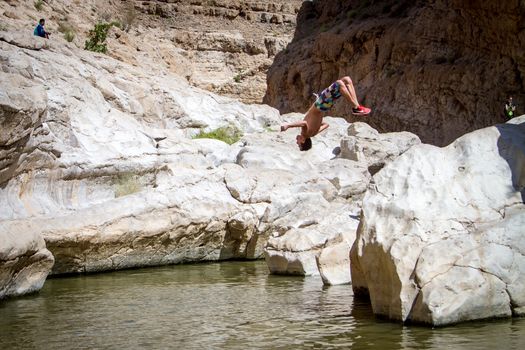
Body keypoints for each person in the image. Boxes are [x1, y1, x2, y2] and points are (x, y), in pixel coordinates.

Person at [280, 76, 371, 151]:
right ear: (303, 141)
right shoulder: (304, 133)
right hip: (320, 104)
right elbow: (304, 123)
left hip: (324, 106)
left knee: (346, 80)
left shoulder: (313, 133)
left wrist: (315, 121)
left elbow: (326, 124)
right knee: (340, 83)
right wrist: (288, 125)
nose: (297, 142)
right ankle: (356, 108)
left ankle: (357, 107)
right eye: (299, 144)